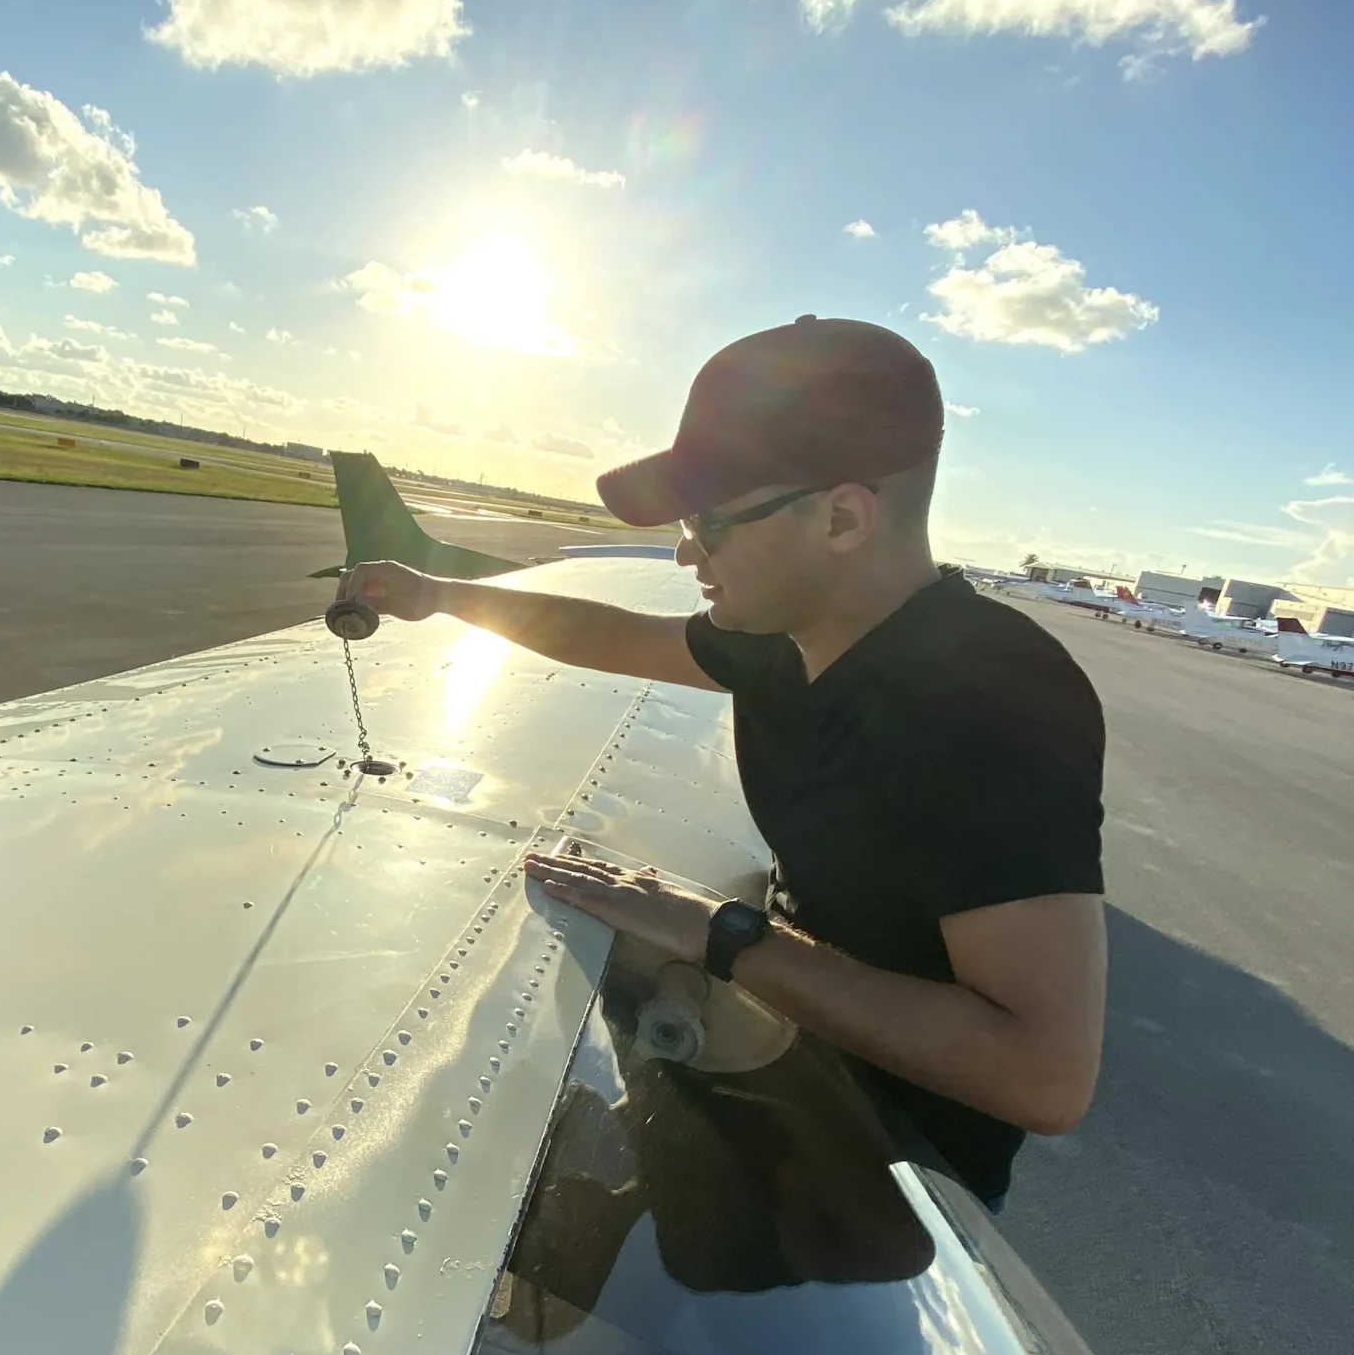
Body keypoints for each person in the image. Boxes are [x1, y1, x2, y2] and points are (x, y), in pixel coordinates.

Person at [336, 315, 1106, 1208]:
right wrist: (438, 595)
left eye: (710, 521)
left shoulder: (994, 705)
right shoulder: (791, 637)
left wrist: (723, 935)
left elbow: (1043, 1076)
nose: (685, 550)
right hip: (789, 1070)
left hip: (891, 1177)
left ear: (843, 517)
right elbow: (614, 636)